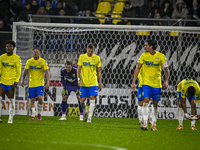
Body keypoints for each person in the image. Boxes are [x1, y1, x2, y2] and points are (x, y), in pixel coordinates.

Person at [132, 39, 169, 131]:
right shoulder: (144, 55)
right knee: (146, 102)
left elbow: (166, 69)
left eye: (146, 45)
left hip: (157, 84)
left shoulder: (161, 56)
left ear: (151, 47)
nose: (145, 47)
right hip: (146, 83)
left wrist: (166, 81)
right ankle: (145, 123)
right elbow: (138, 68)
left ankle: (153, 124)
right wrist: (133, 82)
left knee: (155, 104)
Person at [21, 47, 50, 121]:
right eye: (34, 51)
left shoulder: (43, 61)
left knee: (40, 98)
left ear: (40, 53)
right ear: (32, 52)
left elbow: (47, 72)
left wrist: (47, 82)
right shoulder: (29, 61)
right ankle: (33, 115)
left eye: (37, 51)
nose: (35, 53)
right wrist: (22, 79)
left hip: (40, 83)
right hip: (32, 83)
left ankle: (39, 113)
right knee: (32, 100)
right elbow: (25, 71)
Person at [77, 43, 102, 123]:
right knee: (82, 100)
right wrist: (78, 80)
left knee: (92, 98)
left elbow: (99, 71)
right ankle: (85, 111)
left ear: (93, 50)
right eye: (89, 51)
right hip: (84, 83)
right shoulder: (82, 57)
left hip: (93, 82)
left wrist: (100, 83)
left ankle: (89, 118)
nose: (90, 52)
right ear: (86, 49)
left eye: (91, 51)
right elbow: (78, 69)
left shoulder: (97, 58)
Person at [0, 40, 22, 124]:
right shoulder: (2, 57)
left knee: (11, 101)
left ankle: (10, 118)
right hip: (2, 81)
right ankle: (0, 117)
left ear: (13, 48)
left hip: (11, 83)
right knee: (0, 98)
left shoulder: (17, 58)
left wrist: (16, 81)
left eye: (10, 46)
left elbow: (19, 71)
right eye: (7, 46)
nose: (8, 48)